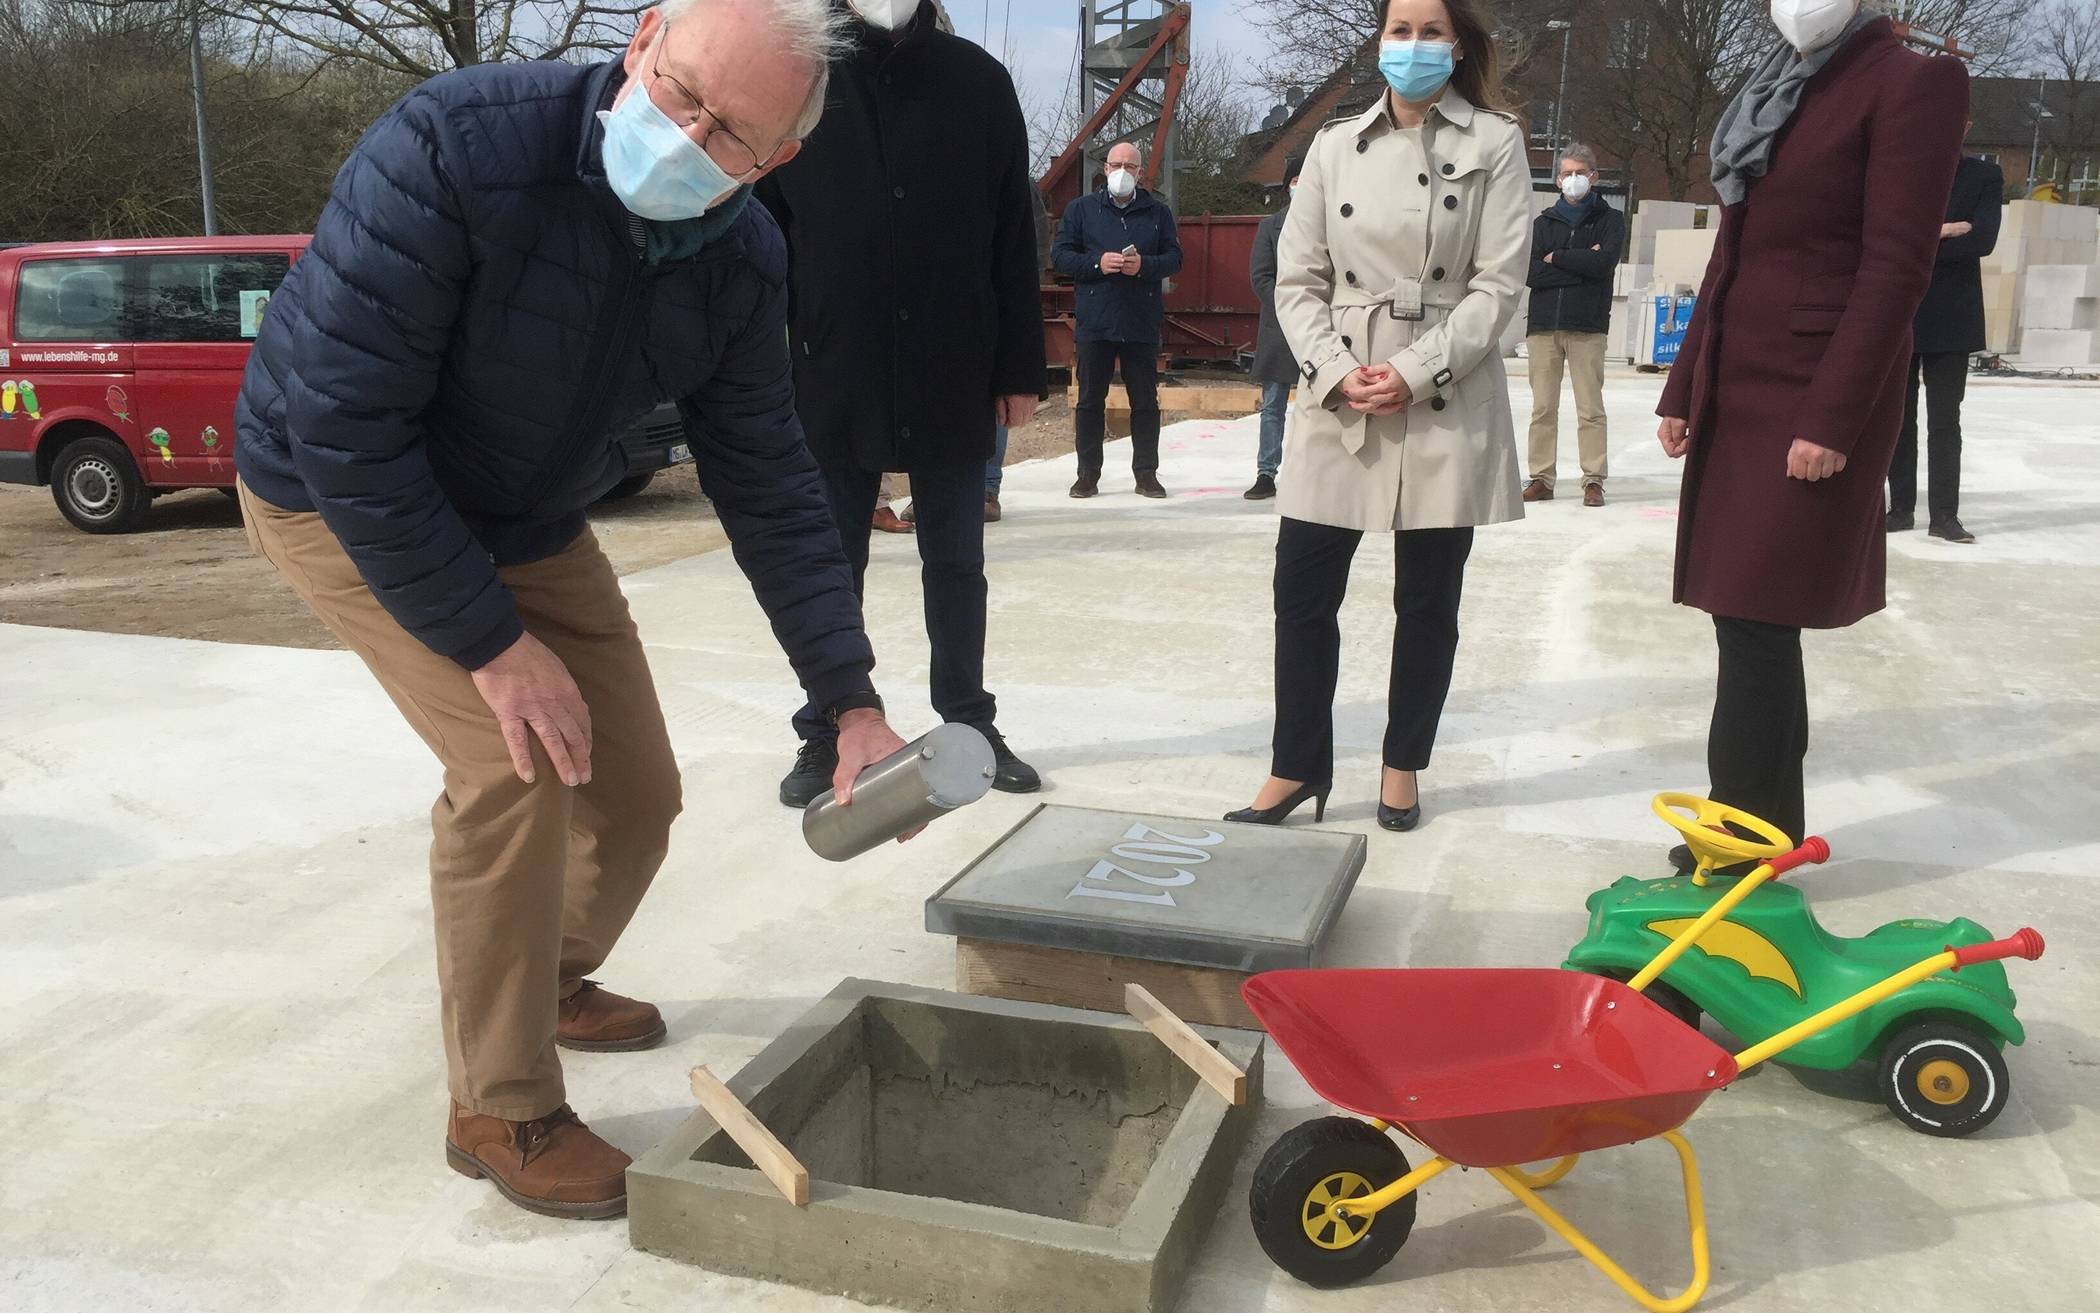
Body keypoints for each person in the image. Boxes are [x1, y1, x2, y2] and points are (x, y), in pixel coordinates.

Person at [232, 0, 909, 1220]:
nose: (686, 136)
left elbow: (767, 482)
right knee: (515, 760)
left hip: (525, 516)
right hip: (335, 489)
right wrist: (493, 645)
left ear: (776, 161)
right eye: (681, 92)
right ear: (645, 34)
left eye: (729, 135)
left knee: (637, 789)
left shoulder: (745, 261)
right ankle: (501, 1102)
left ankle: (542, 978)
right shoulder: (455, 143)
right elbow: (344, 423)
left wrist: (847, 699)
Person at [1656, 2, 1966, 862]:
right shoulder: (1777, 87)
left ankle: (1742, 832)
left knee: (1758, 609)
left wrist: (1834, 417)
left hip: (1811, 388)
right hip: (1738, 383)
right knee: (1743, 612)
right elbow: (1732, 251)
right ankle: (1762, 822)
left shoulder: (1914, 83)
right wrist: (1684, 384)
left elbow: (1896, 263)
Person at [1227, 0, 1530, 833]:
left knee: (1428, 599)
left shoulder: (1496, 143)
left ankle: (1403, 767)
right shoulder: (1331, 146)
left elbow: (1500, 286)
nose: (1414, 45)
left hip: (1443, 386)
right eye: (1400, 29)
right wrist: (1333, 370)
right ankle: (1295, 768)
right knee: (1302, 588)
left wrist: (1414, 368)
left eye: (1432, 31)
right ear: (1380, 40)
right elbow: (1297, 279)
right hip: (1342, 389)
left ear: (1458, 44)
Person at [756, 0, 1046, 807]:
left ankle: (970, 719)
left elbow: (1009, 234)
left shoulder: (978, 83)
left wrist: (1019, 365)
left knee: (956, 563)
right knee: (829, 564)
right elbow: (763, 229)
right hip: (829, 362)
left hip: (952, 360)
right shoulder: (798, 74)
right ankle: (825, 728)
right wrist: (758, 364)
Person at [1052, 140, 1185, 499]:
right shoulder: (1081, 210)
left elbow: (1174, 258)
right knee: (1090, 401)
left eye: (1131, 166)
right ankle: (1087, 475)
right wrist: (1098, 264)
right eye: (1117, 164)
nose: (1123, 172)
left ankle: (1146, 474)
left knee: (1145, 402)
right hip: (1096, 321)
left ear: (1141, 173)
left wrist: (1146, 266)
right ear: (1105, 169)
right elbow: (1061, 256)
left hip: (1140, 321)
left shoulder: (1158, 213)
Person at [1891, 126, 2001, 543]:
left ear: (1967, 127)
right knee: (1897, 417)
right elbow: (1887, 237)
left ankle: (1944, 516)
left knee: (1944, 420)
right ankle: (1899, 508)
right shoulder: (1902, 172)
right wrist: (1946, 229)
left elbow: (1983, 241)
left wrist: (1920, 236)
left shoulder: (1982, 176)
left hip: (1954, 314)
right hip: (1901, 310)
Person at [1524, 142, 1624, 508]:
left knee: (1590, 408)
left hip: (1588, 326)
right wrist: (1582, 263)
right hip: (1544, 326)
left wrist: (1558, 258)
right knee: (1542, 409)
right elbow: (1531, 273)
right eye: (1567, 173)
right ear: (1557, 180)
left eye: (1580, 172)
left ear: (1594, 177)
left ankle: (1593, 479)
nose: (1573, 179)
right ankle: (1541, 478)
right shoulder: (1543, 222)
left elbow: (1604, 265)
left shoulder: (1610, 220)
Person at [1245, 153, 1305, 500]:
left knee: (1324, 406)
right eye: (1295, 181)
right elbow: (1261, 277)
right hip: (1280, 329)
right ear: (1287, 187)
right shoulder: (1270, 228)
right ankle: (1266, 472)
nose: (1300, 186)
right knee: (1273, 406)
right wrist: (1292, 307)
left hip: (1322, 329)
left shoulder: (1330, 225)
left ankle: (1314, 473)